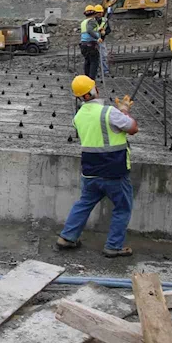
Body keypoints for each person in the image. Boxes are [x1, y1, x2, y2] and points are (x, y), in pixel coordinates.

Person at [57, 75, 138, 257]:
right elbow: (133, 128)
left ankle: (67, 237)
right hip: (114, 172)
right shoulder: (108, 112)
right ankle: (113, 246)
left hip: (90, 172)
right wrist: (124, 111)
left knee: (84, 203)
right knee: (122, 207)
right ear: (94, 91)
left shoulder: (78, 117)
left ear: (79, 97)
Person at [79, 5, 101, 80]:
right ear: (94, 13)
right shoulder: (92, 21)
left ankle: (86, 80)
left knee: (87, 62)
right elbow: (89, 30)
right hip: (91, 45)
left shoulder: (83, 22)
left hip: (83, 45)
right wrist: (98, 38)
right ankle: (91, 81)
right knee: (94, 62)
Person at [96, 5, 112, 76]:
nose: (99, 14)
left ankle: (105, 71)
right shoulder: (92, 21)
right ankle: (96, 70)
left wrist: (105, 32)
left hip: (101, 40)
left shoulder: (104, 20)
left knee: (103, 56)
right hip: (94, 41)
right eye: (98, 13)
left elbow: (109, 30)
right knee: (95, 56)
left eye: (101, 12)